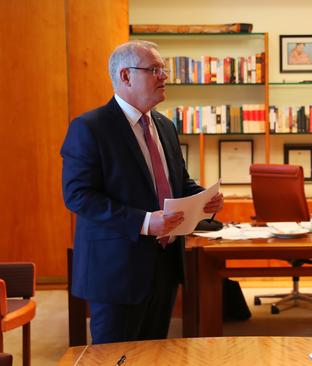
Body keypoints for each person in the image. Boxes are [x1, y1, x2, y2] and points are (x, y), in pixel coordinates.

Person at [61, 40, 224, 344]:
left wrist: (205, 199)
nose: (164, 76)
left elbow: (179, 183)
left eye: (163, 69)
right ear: (125, 76)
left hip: (164, 267)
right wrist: (147, 222)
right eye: (155, 70)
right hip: (116, 272)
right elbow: (78, 195)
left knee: (154, 355)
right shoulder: (90, 127)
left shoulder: (164, 126)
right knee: (116, 359)